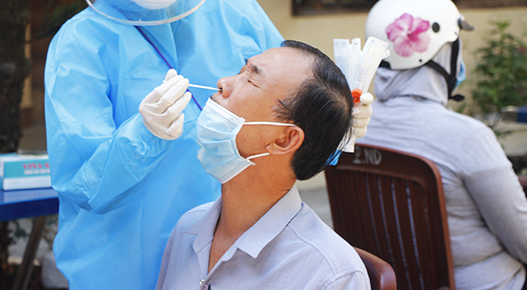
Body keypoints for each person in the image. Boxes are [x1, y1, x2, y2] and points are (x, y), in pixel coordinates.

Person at [44, 0, 373, 289]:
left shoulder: (237, 13)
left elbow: (291, 123)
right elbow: (82, 184)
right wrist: (142, 136)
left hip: (236, 257)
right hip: (120, 264)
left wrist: (339, 127)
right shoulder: (82, 41)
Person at [360, 0, 527, 290]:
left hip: (391, 280)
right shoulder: (466, 137)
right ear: (442, 55)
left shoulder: (358, 127)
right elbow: (521, 235)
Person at [156, 41, 371, 290]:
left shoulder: (331, 276)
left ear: (284, 139)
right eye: (240, 72)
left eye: (251, 81)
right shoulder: (188, 229)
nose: (223, 83)